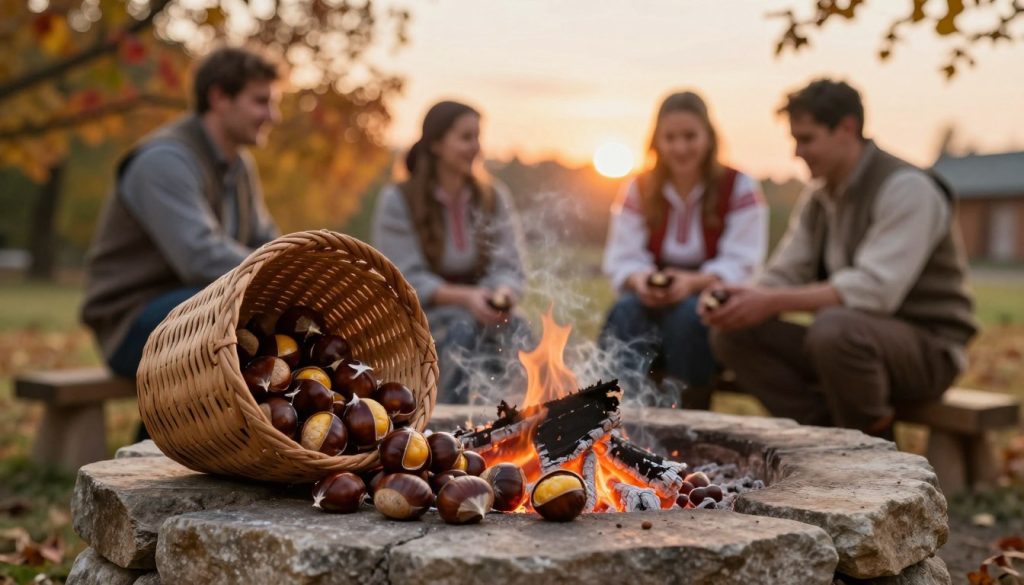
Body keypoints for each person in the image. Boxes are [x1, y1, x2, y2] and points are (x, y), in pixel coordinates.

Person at [704, 79, 977, 438]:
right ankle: (824, 436)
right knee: (733, 334)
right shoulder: (820, 198)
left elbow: (874, 290)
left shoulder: (908, 188)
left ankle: (874, 445)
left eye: (807, 138)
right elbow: (786, 271)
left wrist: (770, 301)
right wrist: (740, 301)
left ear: (847, 128)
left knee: (835, 330)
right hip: (848, 345)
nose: (797, 152)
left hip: (928, 351)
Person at [81, 46, 281, 383]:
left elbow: (267, 240)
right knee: (235, 321)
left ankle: (159, 435)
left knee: (274, 323)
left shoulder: (240, 166)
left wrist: (304, 269)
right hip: (131, 321)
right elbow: (199, 256)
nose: (273, 115)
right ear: (219, 98)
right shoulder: (164, 160)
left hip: (193, 309)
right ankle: (166, 436)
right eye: (261, 101)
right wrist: (278, 276)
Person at [599, 91, 768, 408]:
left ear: (708, 137)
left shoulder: (738, 186)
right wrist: (641, 281)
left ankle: (689, 413)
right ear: (657, 141)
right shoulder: (639, 187)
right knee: (624, 312)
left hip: (709, 300)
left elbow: (742, 261)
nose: (680, 147)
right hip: (649, 301)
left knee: (689, 317)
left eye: (690, 136)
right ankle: (619, 413)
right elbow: (623, 256)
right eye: (670, 138)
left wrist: (691, 283)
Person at [372, 100, 530, 404]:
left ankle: (520, 423)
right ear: (435, 144)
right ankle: (449, 423)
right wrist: (467, 298)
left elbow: (509, 263)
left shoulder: (492, 197)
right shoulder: (399, 199)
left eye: (478, 137)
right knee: (461, 330)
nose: (476, 147)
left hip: (482, 307)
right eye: (465, 138)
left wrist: (504, 294)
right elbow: (404, 277)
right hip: (421, 314)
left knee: (520, 330)